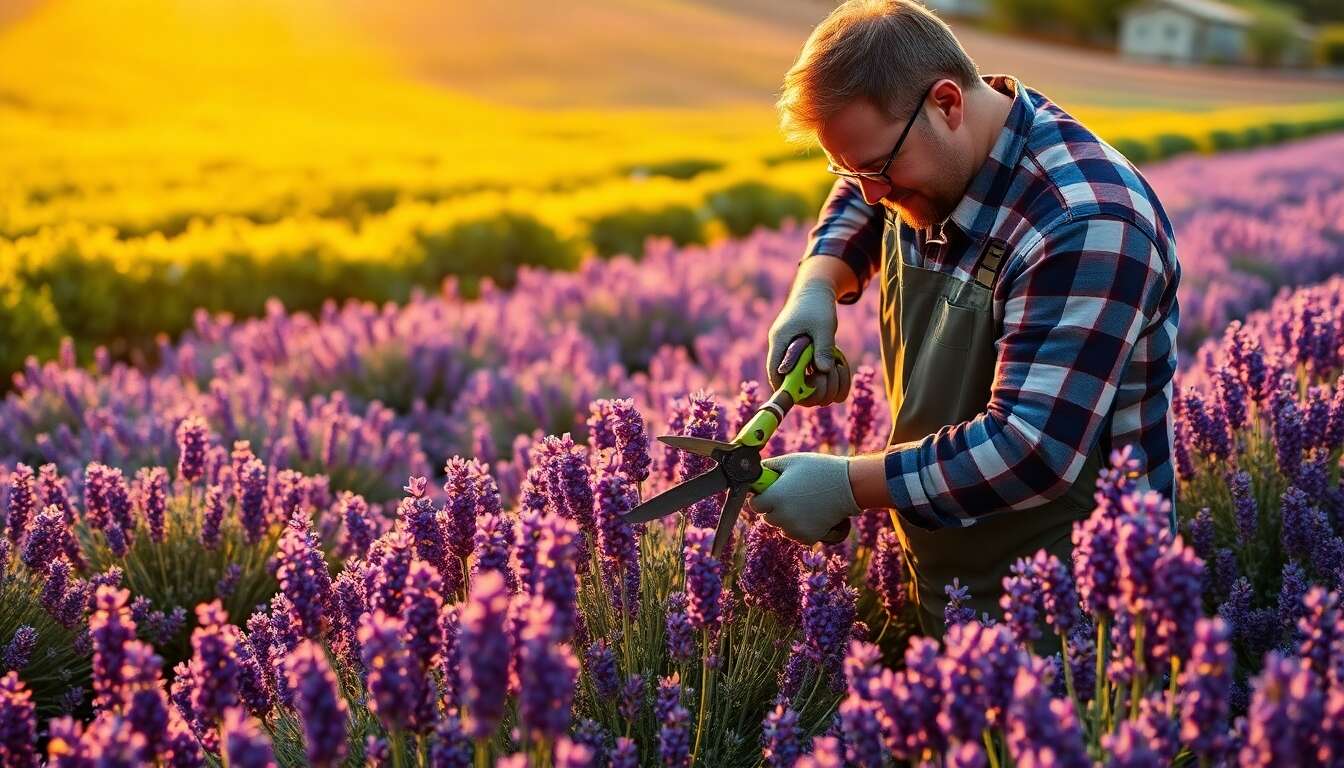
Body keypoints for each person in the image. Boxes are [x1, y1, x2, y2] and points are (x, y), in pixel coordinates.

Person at [749, 0, 1181, 636]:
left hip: (1079, 615)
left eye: (876, 170)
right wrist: (815, 286)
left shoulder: (1085, 225)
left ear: (947, 103)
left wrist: (844, 486)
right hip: (949, 573)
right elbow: (860, 189)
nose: (870, 191)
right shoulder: (933, 149)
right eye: (850, 167)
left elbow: (1029, 451)